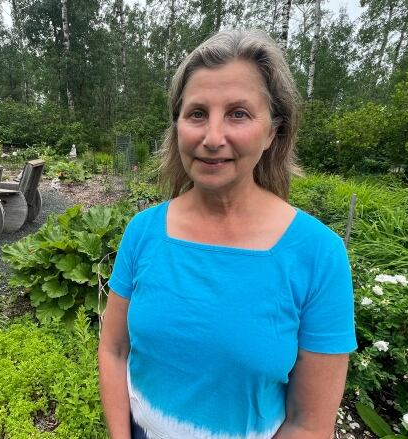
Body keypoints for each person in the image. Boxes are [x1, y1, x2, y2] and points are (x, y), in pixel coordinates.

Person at [98, 29, 356, 439]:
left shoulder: (318, 255)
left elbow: (309, 423)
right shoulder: (143, 232)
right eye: (197, 113)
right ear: (178, 125)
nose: (212, 138)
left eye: (238, 113)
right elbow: (113, 351)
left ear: (273, 131)